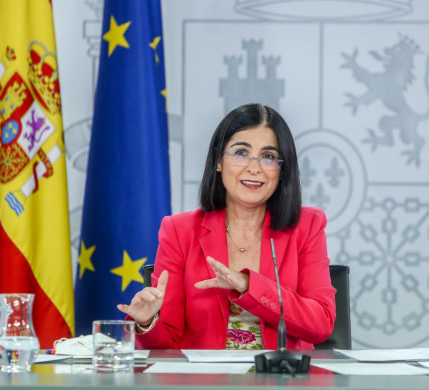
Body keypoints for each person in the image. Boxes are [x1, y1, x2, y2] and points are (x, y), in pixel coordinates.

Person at [117, 103, 336, 349]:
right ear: (218, 161)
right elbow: (166, 344)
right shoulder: (180, 231)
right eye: (241, 153)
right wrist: (147, 321)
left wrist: (248, 285)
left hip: (282, 381)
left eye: (268, 157)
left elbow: (321, 325)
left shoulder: (306, 226)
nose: (254, 168)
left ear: (282, 170)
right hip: (207, 382)